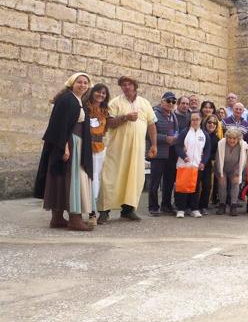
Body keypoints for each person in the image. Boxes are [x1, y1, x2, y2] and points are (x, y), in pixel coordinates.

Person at [34, 72, 94, 231]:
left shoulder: (77, 100)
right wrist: (64, 147)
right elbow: (59, 126)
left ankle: (57, 218)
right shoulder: (67, 99)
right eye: (79, 82)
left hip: (77, 144)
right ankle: (75, 219)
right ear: (72, 83)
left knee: (62, 179)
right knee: (73, 179)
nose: (82, 85)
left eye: (85, 83)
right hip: (70, 144)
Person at [96, 76, 157, 224]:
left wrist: (154, 145)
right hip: (117, 149)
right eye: (124, 85)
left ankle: (128, 210)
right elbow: (109, 123)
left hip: (137, 150)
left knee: (133, 178)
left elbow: (151, 124)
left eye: (129, 84)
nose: (127, 87)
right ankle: (104, 211)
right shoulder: (115, 103)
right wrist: (125, 118)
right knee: (110, 178)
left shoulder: (145, 103)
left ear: (135, 86)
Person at [147, 91, 179, 217]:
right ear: (162, 101)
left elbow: (175, 130)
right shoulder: (154, 114)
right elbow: (148, 133)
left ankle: (166, 205)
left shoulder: (173, 115)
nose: (171, 104)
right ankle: (153, 206)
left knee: (169, 181)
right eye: (168, 101)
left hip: (171, 153)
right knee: (155, 181)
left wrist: (176, 136)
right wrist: (165, 138)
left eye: (173, 102)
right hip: (158, 152)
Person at [83, 83, 110, 226]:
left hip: (99, 148)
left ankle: (92, 211)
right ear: (93, 92)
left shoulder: (105, 110)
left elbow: (106, 128)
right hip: (85, 147)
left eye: (104, 93)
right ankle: (85, 209)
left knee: (95, 179)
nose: (101, 95)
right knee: (85, 178)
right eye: (98, 92)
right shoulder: (85, 108)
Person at [174, 111, 210, 218]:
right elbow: (178, 146)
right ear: (190, 120)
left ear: (200, 120)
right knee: (182, 188)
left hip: (196, 166)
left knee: (195, 188)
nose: (195, 121)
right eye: (193, 119)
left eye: (197, 119)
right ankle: (181, 209)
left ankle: (194, 208)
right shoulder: (184, 132)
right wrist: (183, 156)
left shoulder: (204, 135)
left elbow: (207, 150)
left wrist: (203, 162)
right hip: (184, 165)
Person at [216, 128, 248, 216]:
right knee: (222, 184)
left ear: (238, 139)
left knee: (235, 183)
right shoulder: (221, 144)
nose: (231, 140)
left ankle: (233, 205)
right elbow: (218, 160)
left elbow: (243, 161)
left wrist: (238, 173)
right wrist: (220, 174)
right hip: (222, 167)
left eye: (234, 138)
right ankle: (222, 204)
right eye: (229, 138)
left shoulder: (242, 145)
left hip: (235, 167)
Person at [199, 114, 220, 215]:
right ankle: (193, 206)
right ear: (205, 123)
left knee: (207, 186)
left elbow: (214, 153)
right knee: (195, 186)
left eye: (214, 123)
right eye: (209, 122)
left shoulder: (216, 139)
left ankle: (203, 206)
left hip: (207, 165)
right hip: (196, 163)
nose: (212, 124)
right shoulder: (199, 134)